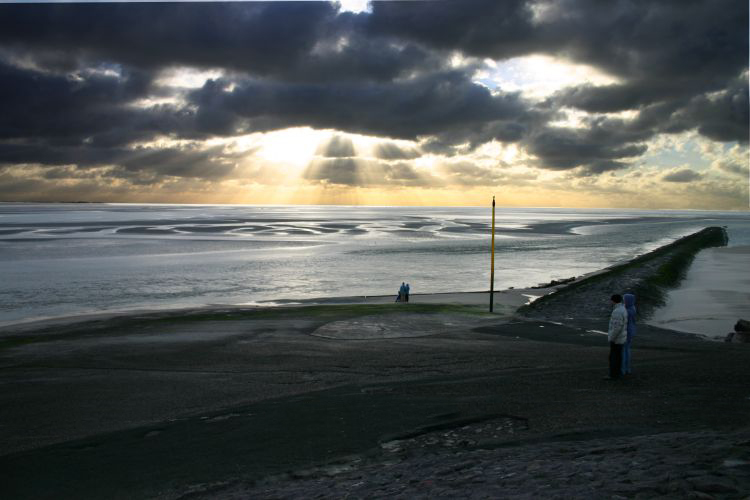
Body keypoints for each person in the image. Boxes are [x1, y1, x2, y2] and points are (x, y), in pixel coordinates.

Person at [607, 294, 628, 380]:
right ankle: (618, 373)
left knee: (613, 357)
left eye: (611, 300)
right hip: (621, 338)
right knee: (618, 356)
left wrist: (611, 338)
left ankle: (613, 375)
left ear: (613, 301)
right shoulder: (623, 309)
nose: (610, 302)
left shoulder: (617, 311)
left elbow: (617, 327)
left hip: (617, 339)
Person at [621, 293, 636, 375]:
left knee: (623, 350)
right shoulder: (633, 308)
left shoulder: (627, 310)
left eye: (624, 300)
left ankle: (623, 369)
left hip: (626, 331)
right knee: (627, 349)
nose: (624, 301)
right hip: (631, 331)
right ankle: (627, 368)